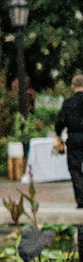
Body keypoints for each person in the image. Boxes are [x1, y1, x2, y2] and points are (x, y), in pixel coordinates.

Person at [53, 73, 83, 207]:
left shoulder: (68, 103)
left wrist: (58, 135)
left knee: (75, 169)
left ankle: (81, 200)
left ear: (73, 86)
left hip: (74, 138)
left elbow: (60, 122)